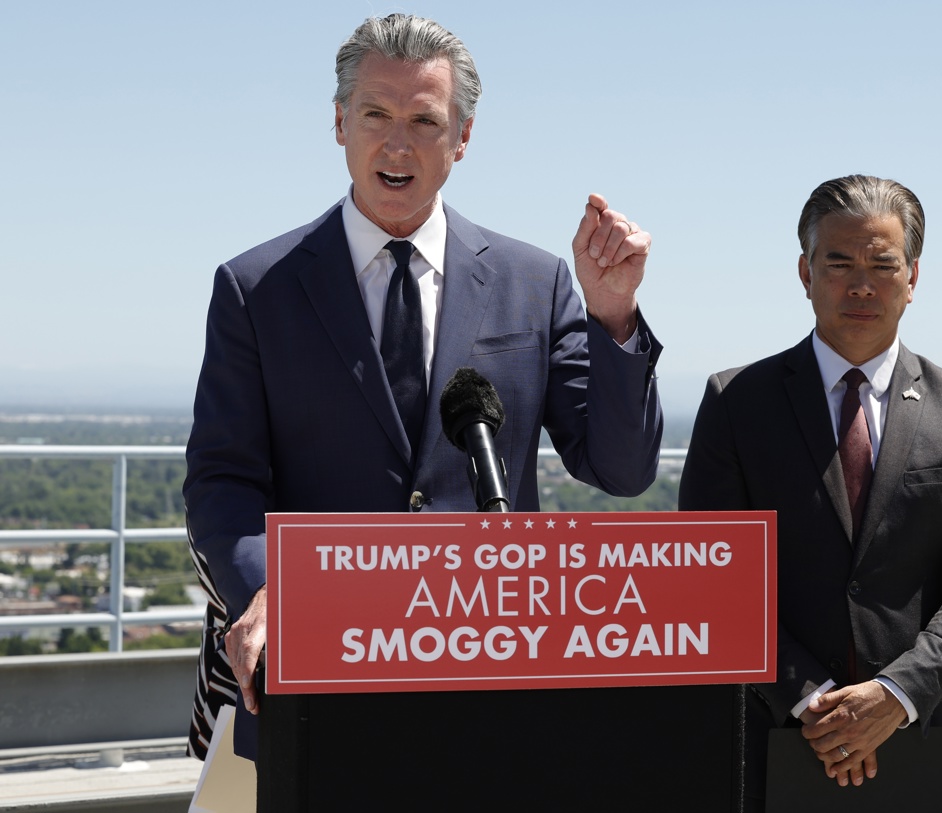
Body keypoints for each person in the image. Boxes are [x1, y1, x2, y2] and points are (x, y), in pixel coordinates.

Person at [183, 14, 662, 762]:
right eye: (374, 113)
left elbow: (622, 469)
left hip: (485, 680)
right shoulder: (254, 288)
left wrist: (615, 317)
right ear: (339, 122)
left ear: (463, 138)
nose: (397, 142)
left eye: (424, 120)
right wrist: (269, 595)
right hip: (308, 681)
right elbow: (223, 481)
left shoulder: (535, 282)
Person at [678, 174, 942, 811]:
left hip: (923, 735)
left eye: (883, 264)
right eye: (838, 263)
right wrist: (814, 702)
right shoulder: (736, 403)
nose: (861, 285)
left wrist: (893, 695)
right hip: (774, 738)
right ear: (804, 273)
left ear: (913, 276)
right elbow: (712, 579)